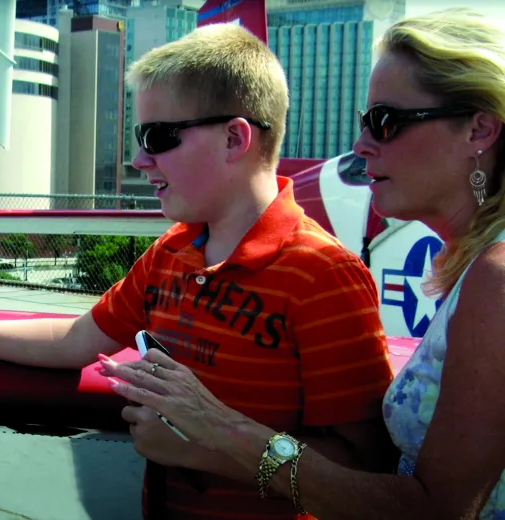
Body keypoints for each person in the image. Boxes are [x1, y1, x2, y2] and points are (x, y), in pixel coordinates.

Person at [0, 23, 397, 519]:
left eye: (158, 137)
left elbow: (362, 465)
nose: (139, 159)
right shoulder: (172, 253)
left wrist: (200, 449)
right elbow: (75, 339)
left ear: (234, 138)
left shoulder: (323, 276)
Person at [98, 7, 505, 520]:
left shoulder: (497, 278)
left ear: (479, 130)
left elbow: (435, 511)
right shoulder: (475, 268)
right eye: (365, 122)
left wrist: (221, 432)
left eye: (386, 121)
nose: (360, 145)